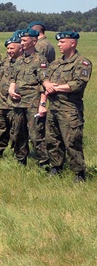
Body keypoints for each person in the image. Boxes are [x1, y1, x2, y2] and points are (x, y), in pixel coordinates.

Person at [41, 31, 91, 182]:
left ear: (73, 43)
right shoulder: (56, 64)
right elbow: (44, 78)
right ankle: (56, 167)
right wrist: (47, 84)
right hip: (54, 107)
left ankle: (79, 173)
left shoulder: (82, 62)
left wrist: (55, 88)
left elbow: (78, 84)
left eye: (62, 42)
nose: (59, 45)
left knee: (72, 142)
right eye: (59, 42)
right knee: (52, 140)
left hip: (70, 110)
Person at [9, 28, 49, 168]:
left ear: (34, 41)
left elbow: (44, 84)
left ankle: (44, 163)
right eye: (21, 40)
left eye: (25, 40)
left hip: (33, 103)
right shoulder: (19, 60)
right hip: (18, 102)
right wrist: (11, 88)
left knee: (36, 135)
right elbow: (13, 78)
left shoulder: (41, 60)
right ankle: (21, 159)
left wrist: (42, 104)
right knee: (18, 132)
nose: (22, 43)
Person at [0, 35, 22, 157]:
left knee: (16, 130)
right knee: (0, 127)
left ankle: (18, 153)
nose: (9, 51)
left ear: (20, 48)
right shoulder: (5, 61)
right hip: (3, 102)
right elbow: (0, 82)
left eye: (12, 48)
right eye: (8, 48)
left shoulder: (23, 63)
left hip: (16, 103)